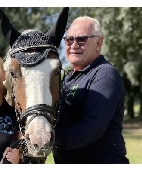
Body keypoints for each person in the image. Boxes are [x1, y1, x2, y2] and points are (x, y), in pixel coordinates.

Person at [52, 16, 130, 164]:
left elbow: (91, 127)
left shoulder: (105, 75)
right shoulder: (68, 77)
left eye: (81, 39)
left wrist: (50, 140)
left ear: (98, 43)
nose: (74, 45)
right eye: (69, 39)